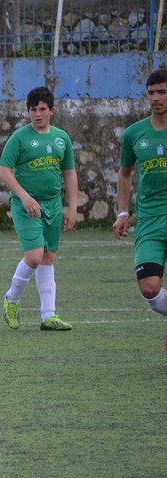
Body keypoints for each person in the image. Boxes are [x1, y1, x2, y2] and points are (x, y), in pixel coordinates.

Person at [0, 85, 78, 332]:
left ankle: (48, 315)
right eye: (33, 109)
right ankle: (11, 299)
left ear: (51, 110)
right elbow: (4, 171)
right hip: (27, 206)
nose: (37, 114)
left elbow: (69, 172)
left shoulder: (61, 138)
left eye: (42, 109)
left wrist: (72, 207)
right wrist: (24, 196)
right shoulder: (19, 137)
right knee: (34, 257)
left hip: (53, 205)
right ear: (28, 112)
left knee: (48, 257)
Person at [113, 68, 167, 351]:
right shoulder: (135, 133)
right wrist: (123, 213)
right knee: (149, 289)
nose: (156, 98)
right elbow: (124, 173)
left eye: (162, 92)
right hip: (149, 220)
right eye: (151, 93)